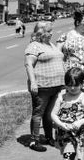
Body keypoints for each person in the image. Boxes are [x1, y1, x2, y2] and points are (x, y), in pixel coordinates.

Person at [24, 21, 65, 152]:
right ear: (40, 32)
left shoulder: (50, 45)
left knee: (49, 114)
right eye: (48, 31)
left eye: (51, 30)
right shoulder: (34, 46)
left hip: (56, 86)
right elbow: (28, 64)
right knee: (38, 113)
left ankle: (48, 137)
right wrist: (33, 82)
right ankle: (34, 141)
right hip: (42, 86)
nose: (51, 33)